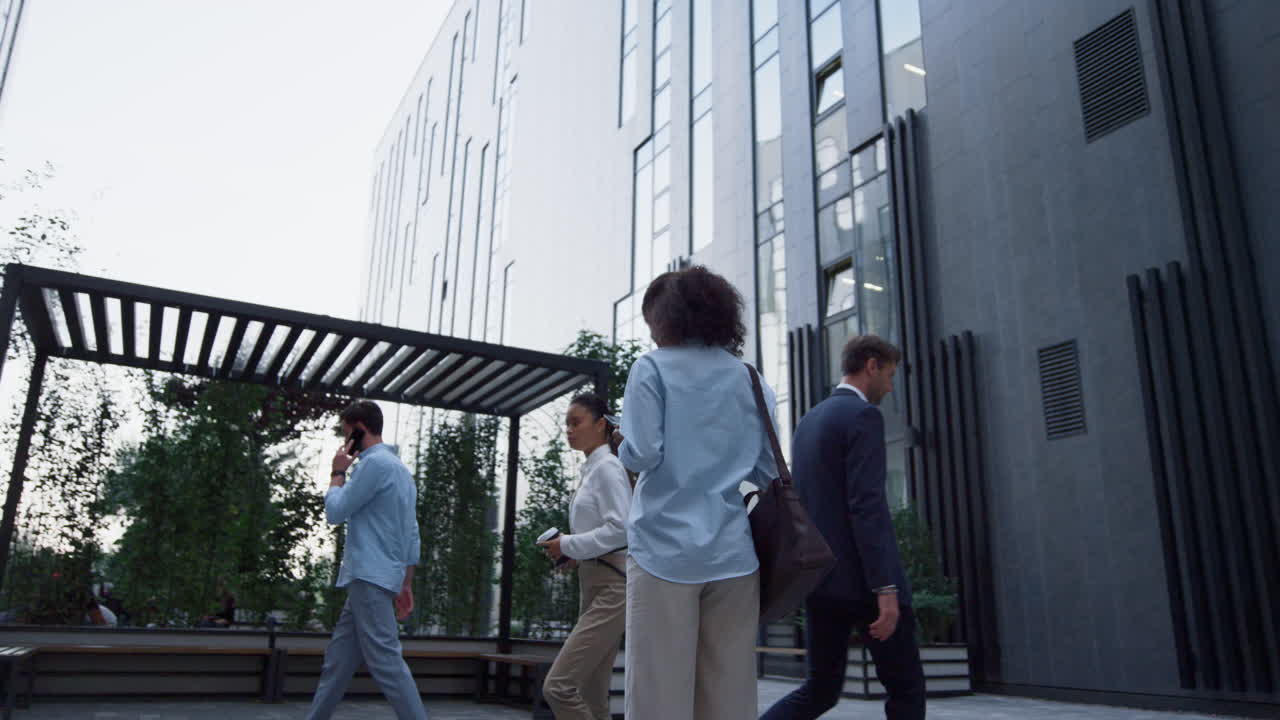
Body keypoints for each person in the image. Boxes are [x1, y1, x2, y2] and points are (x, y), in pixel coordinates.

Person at [614, 266, 778, 720]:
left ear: (664, 320)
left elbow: (642, 455)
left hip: (663, 550)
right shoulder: (750, 378)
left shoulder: (650, 369)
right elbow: (768, 470)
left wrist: (620, 442)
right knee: (729, 698)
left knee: (657, 698)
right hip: (733, 554)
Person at [760, 335, 925, 720]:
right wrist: (885, 588)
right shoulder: (864, 416)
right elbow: (866, 506)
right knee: (907, 688)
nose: (889, 384)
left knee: (820, 690)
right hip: (866, 585)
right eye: (889, 374)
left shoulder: (809, 421)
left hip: (821, 581)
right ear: (871, 365)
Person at [306, 400, 427, 720]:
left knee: (387, 662)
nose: (344, 441)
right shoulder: (401, 471)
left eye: (346, 433)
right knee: (338, 663)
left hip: (368, 576)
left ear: (359, 428)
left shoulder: (373, 466)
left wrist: (337, 471)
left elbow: (335, 511)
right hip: (378, 577)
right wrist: (406, 582)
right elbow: (411, 533)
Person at [537, 392, 632, 720]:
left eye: (576, 422)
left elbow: (622, 529)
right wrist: (574, 553)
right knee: (593, 696)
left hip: (612, 586)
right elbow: (606, 534)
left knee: (559, 687)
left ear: (601, 424)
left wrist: (567, 544)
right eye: (567, 423)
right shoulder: (593, 469)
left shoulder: (607, 468)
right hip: (595, 581)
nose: (569, 430)